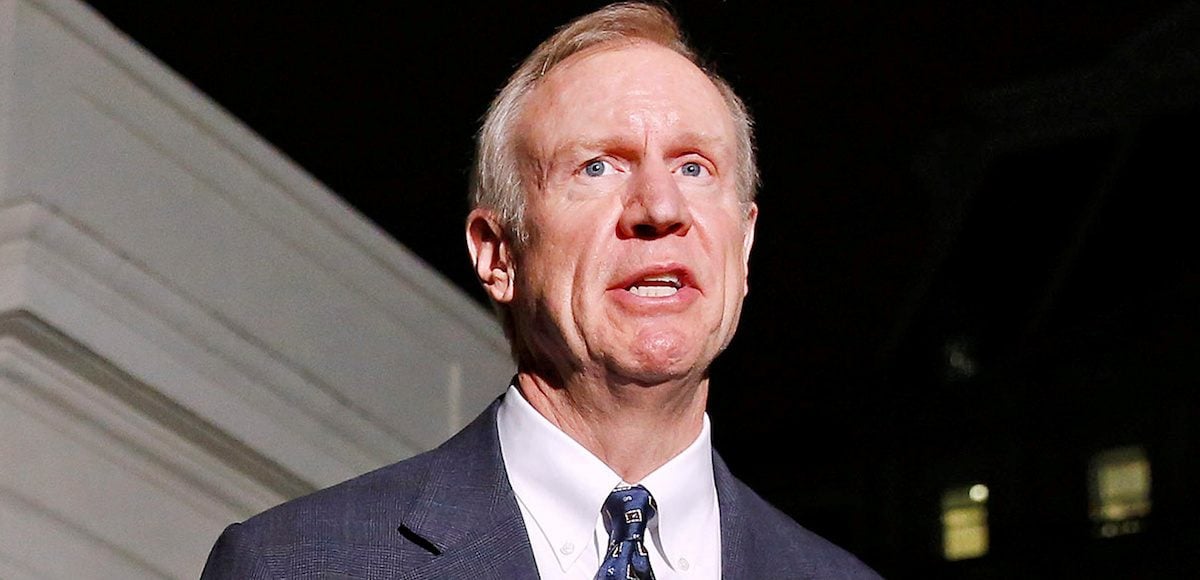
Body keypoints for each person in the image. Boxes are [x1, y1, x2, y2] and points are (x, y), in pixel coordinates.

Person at [201, 3, 881, 578]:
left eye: (696, 168)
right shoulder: (295, 565)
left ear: (745, 245)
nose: (659, 206)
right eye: (596, 166)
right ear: (498, 255)